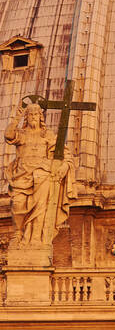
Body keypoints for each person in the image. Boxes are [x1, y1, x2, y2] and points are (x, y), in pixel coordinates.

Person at [5, 100, 76, 247]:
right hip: (21, 176)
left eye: (35, 114)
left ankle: (36, 237)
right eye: (30, 114)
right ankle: (18, 233)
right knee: (17, 204)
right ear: (26, 117)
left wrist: (64, 166)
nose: (33, 117)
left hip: (42, 177)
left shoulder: (47, 135)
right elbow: (9, 135)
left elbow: (65, 154)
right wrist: (16, 119)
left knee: (40, 209)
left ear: (40, 117)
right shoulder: (22, 134)